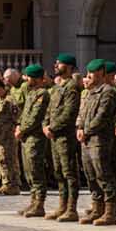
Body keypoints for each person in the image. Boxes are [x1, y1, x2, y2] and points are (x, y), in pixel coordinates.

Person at [77, 58, 116, 225]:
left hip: (100, 139)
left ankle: (110, 211)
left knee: (103, 174)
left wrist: (86, 130)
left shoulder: (107, 92)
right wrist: (80, 128)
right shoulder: (90, 93)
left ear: (101, 73)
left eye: (92, 73)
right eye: (88, 73)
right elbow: (82, 113)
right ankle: (97, 208)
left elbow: (102, 116)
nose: (89, 76)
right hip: (87, 139)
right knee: (90, 175)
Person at [44, 54, 81, 220]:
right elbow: (50, 110)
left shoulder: (72, 87)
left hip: (65, 136)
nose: (56, 66)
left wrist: (53, 127)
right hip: (54, 135)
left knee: (69, 172)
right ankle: (62, 205)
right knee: (58, 172)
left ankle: (72, 208)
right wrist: (46, 125)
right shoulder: (58, 87)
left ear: (69, 67)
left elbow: (69, 112)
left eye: (60, 64)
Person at [19, 64, 53, 217]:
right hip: (26, 136)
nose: (26, 79)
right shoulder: (31, 93)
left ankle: (39, 203)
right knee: (28, 170)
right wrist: (19, 126)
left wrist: (23, 129)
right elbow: (25, 113)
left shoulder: (43, 94)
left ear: (38, 78)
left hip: (35, 136)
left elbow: (35, 117)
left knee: (36, 169)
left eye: (29, 77)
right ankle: (33, 201)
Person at [0, 72, 21, 195]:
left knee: (8, 159)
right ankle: (5, 183)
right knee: (0, 158)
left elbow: (17, 116)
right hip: (0, 134)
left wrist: (15, 128)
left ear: (2, 89)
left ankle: (12, 184)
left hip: (8, 134)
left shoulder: (10, 100)